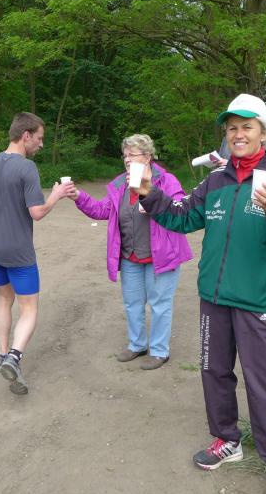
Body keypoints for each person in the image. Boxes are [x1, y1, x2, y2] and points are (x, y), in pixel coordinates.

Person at [136, 94, 266, 494]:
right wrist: (150, 195)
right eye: (232, 128)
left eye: (247, 127)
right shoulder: (215, 180)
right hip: (214, 298)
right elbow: (183, 216)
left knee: (265, 384)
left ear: (264, 133)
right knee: (214, 372)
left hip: (258, 301)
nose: (238, 134)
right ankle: (227, 439)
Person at [0, 112, 75, 395]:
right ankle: (14, 357)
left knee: (4, 299)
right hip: (18, 251)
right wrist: (56, 195)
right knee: (29, 307)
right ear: (26, 136)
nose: (41, 144)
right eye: (39, 138)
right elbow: (37, 212)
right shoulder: (26, 168)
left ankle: (2, 354)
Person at [66, 134, 192, 369]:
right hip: (130, 257)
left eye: (132, 155)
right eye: (125, 155)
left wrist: (156, 203)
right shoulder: (119, 185)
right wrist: (79, 196)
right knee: (132, 303)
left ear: (147, 156)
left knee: (160, 304)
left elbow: (179, 207)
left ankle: (159, 351)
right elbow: (102, 210)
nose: (127, 159)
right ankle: (137, 345)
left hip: (161, 256)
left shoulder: (166, 180)